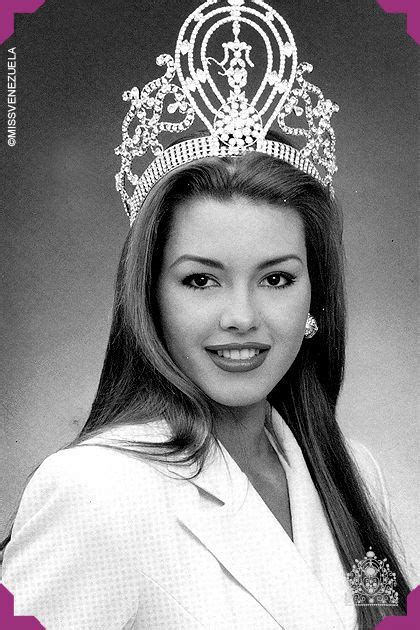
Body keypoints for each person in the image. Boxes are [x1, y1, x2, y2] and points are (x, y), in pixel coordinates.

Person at [0, 1, 412, 629]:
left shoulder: (351, 472)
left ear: (314, 299)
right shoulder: (95, 492)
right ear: (150, 297)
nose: (242, 316)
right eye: (201, 280)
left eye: (276, 278)